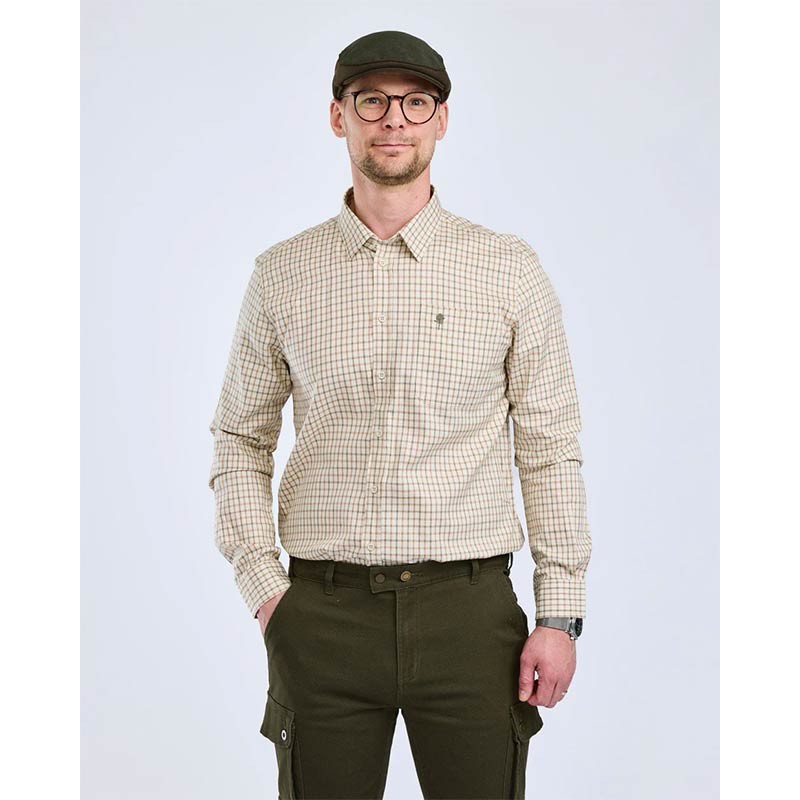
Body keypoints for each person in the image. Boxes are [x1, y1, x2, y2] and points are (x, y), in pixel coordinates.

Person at [207, 29, 591, 800]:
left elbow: (549, 447)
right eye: (372, 101)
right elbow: (240, 439)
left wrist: (561, 613)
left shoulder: (506, 269)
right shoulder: (283, 274)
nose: (394, 120)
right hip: (322, 616)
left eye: (416, 103)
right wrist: (267, 592)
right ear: (338, 116)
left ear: (441, 119)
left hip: (470, 617)